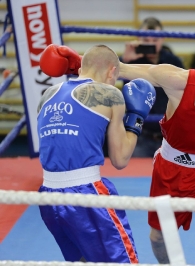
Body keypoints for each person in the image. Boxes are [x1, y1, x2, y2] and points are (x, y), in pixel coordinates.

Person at [42, 46, 195, 265]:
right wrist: (81, 62)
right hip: (170, 173)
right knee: (158, 239)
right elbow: (126, 69)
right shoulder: (179, 82)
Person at [37, 44, 156, 263]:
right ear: (112, 71)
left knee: (83, 261)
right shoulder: (109, 94)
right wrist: (136, 118)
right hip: (87, 194)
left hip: (47, 196)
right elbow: (120, 159)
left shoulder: (47, 94)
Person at [120, 17, 184, 157]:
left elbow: (185, 94)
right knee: (132, 176)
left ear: (162, 39)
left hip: (170, 137)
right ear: (139, 39)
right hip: (140, 135)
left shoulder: (173, 61)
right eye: (146, 41)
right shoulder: (130, 61)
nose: (151, 44)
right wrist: (124, 62)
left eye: (154, 40)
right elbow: (111, 80)